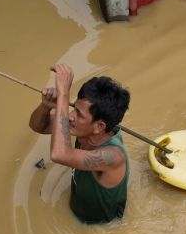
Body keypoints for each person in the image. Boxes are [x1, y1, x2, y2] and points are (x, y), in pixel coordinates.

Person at [28, 64, 131, 224]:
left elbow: (59, 154)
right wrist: (46, 106)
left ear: (99, 127)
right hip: (77, 211)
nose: (70, 116)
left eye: (79, 114)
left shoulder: (113, 156)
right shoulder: (81, 128)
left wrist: (63, 94)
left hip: (101, 228)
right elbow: (38, 126)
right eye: (73, 108)